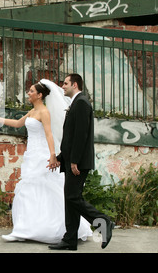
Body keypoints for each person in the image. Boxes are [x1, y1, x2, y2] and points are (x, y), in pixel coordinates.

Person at [0, 80, 92, 244]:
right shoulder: (32, 111)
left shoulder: (44, 112)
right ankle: (23, 228)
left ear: (40, 95)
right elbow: (17, 124)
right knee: (28, 190)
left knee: (46, 190)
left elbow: (49, 134)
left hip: (42, 155)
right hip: (31, 154)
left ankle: (55, 228)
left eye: (31, 91)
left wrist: (52, 155)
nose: (28, 93)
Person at [47, 73, 114, 251]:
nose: (62, 86)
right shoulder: (75, 103)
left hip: (78, 162)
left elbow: (81, 135)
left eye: (66, 83)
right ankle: (70, 240)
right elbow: (70, 138)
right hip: (71, 161)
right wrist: (61, 159)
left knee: (72, 197)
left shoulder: (82, 103)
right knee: (70, 199)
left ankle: (103, 222)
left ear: (75, 85)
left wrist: (74, 161)